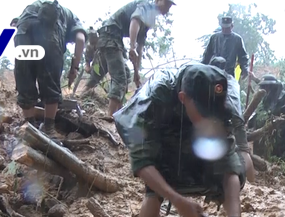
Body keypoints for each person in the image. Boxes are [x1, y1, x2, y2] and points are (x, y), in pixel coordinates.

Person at [113, 63, 248, 217]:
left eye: (214, 113)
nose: (210, 118)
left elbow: (229, 164)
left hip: (200, 145)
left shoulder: (226, 102)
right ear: (183, 98)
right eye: (204, 112)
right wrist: (176, 199)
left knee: (227, 173)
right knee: (153, 192)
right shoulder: (155, 97)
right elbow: (142, 160)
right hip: (163, 139)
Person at [13, 0, 86, 139]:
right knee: (50, 83)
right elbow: (81, 39)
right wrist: (74, 69)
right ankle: (49, 129)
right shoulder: (70, 16)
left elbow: (18, 24)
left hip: (23, 34)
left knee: (25, 79)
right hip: (49, 38)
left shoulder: (34, 6)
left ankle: (30, 128)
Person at [93, 0, 175, 119]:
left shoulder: (149, 20)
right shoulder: (146, 6)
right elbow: (135, 21)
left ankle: (118, 113)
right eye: (166, 4)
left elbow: (140, 47)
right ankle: (110, 115)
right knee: (120, 76)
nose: (167, 8)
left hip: (116, 38)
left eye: (170, 6)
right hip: (110, 34)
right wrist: (131, 47)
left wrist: (136, 73)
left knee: (126, 75)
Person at [209, 56, 255, 183]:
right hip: (237, 117)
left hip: (222, 118)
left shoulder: (211, 78)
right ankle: (253, 184)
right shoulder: (233, 80)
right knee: (244, 150)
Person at [249, 74, 285, 161]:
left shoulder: (282, 93)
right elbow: (262, 109)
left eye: (265, 87)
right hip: (280, 118)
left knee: (280, 140)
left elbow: (275, 110)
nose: (264, 89)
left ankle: (281, 156)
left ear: (271, 86)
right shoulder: (270, 93)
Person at [201, 16, 252, 80]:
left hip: (229, 73)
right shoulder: (214, 38)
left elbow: (243, 56)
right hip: (214, 72)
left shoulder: (237, 39)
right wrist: (202, 68)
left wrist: (244, 69)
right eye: (223, 27)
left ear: (231, 26)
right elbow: (207, 55)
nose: (225, 29)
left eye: (227, 28)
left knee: (231, 89)